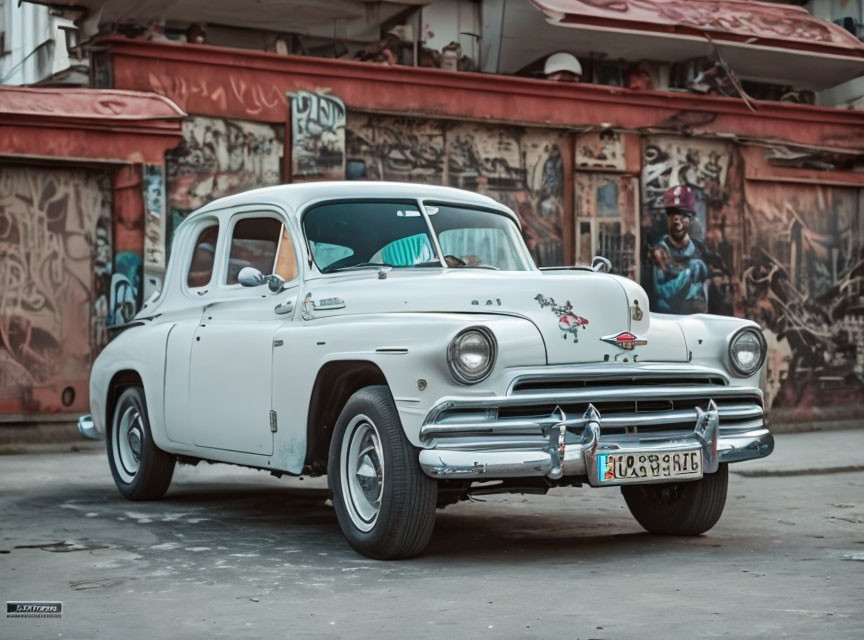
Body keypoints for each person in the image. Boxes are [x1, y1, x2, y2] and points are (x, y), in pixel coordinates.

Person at [651, 185, 710, 314]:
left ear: (691, 219)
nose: (678, 221)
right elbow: (660, 292)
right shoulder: (659, 252)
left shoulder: (701, 251)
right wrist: (687, 274)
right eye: (673, 215)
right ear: (667, 219)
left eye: (684, 215)